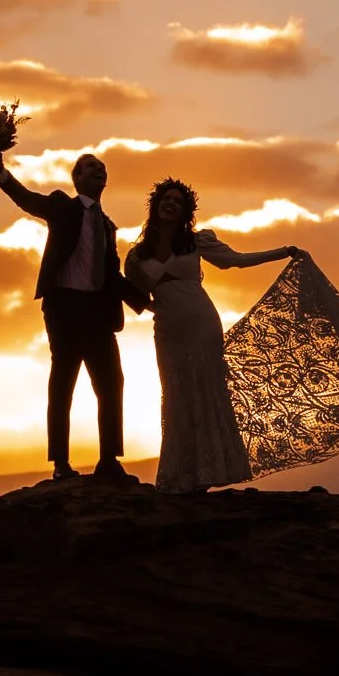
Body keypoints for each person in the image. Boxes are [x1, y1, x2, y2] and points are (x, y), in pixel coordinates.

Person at [124, 177, 300, 492]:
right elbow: (132, 294)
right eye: (166, 199)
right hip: (167, 333)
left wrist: (282, 252)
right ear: (156, 205)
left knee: (205, 392)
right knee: (176, 396)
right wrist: (156, 308)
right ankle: (180, 475)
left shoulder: (197, 241)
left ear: (185, 211)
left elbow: (237, 261)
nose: (170, 204)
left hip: (202, 326)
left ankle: (207, 473)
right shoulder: (137, 255)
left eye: (178, 201)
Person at [0, 146, 150, 483]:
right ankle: (61, 463)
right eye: (90, 167)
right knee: (63, 384)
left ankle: (108, 461)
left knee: (111, 383)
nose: (98, 170)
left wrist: (146, 302)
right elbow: (27, 199)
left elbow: (111, 275)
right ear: (77, 179)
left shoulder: (107, 225)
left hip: (99, 314)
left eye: (102, 167)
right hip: (65, 310)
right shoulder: (62, 206)